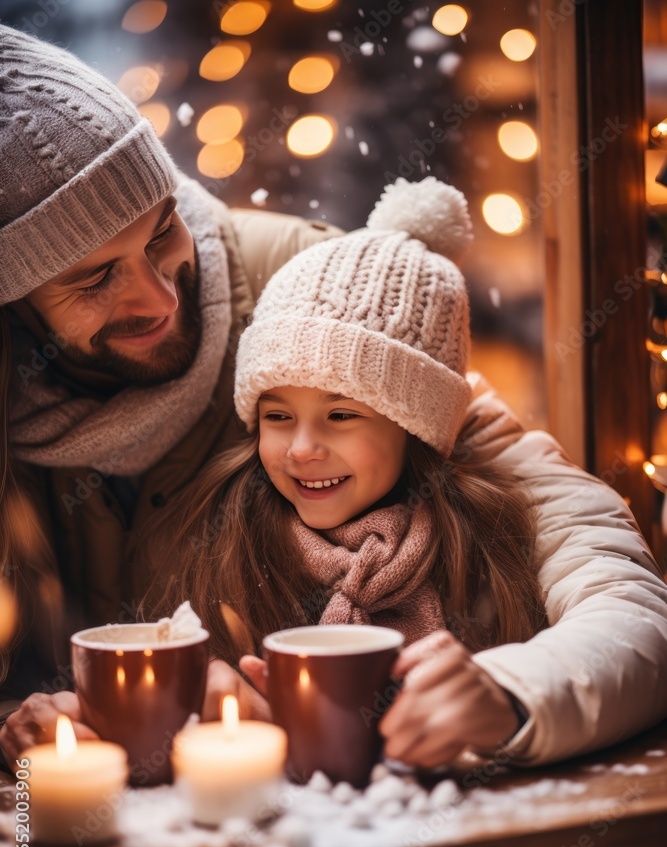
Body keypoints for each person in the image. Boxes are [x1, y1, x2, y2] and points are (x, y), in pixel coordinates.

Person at [159, 175, 667, 772]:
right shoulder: (224, 529)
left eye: (342, 414)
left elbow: (635, 622)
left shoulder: (506, 505)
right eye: (277, 415)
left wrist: (509, 692)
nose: (301, 449)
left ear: (415, 425)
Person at [0, 22, 343, 763]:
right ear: (14, 304)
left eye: (162, 234)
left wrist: (512, 694)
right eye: (93, 279)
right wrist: (13, 723)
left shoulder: (312, 285)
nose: (158, 299)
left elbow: (575, 542)